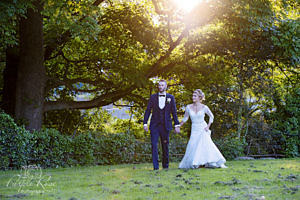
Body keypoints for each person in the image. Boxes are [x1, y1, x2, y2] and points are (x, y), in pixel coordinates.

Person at [178, 89, 227, 169]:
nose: (193, 97)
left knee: (204, 145)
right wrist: (179, 125)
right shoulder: (188, 107)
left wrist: (208, 126)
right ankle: (196, 163)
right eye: (192, 95)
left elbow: (211, 116)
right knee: (193, 145)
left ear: (199, 97)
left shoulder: (204, 107)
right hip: (194, 128)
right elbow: (185, 118)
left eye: (195, 96)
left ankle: (204, 162)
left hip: (202, 128)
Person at [144, 80, 180, 170]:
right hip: (154, 125)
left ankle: (165, 166)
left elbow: (174, 112)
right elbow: (148, 110)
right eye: (159, 85)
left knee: (165, 145)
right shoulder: (153, 97)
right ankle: (155, 167)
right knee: (154, 144)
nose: (160, 87)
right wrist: (145, 123)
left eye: (162, 85)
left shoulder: (170, 97)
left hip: (165, 125)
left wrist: (177, 125)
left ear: (166, 86)